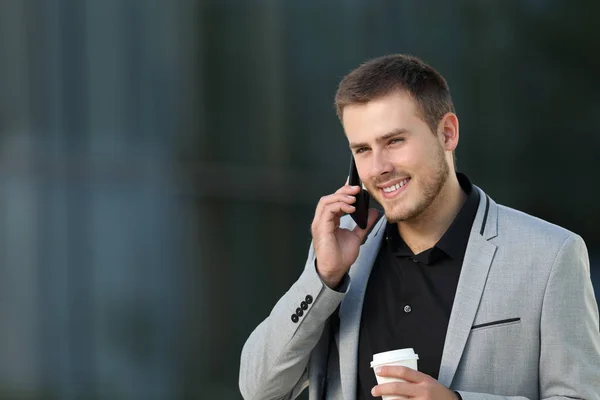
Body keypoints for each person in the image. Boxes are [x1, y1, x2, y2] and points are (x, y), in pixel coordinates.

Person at [238, 54, 600, 400]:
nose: (379, 167)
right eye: (362, 150)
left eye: (394, 141)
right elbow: (259, 390)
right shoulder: (341, 258)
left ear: (447, 133)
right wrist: (323, 276)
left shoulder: (550, 255)